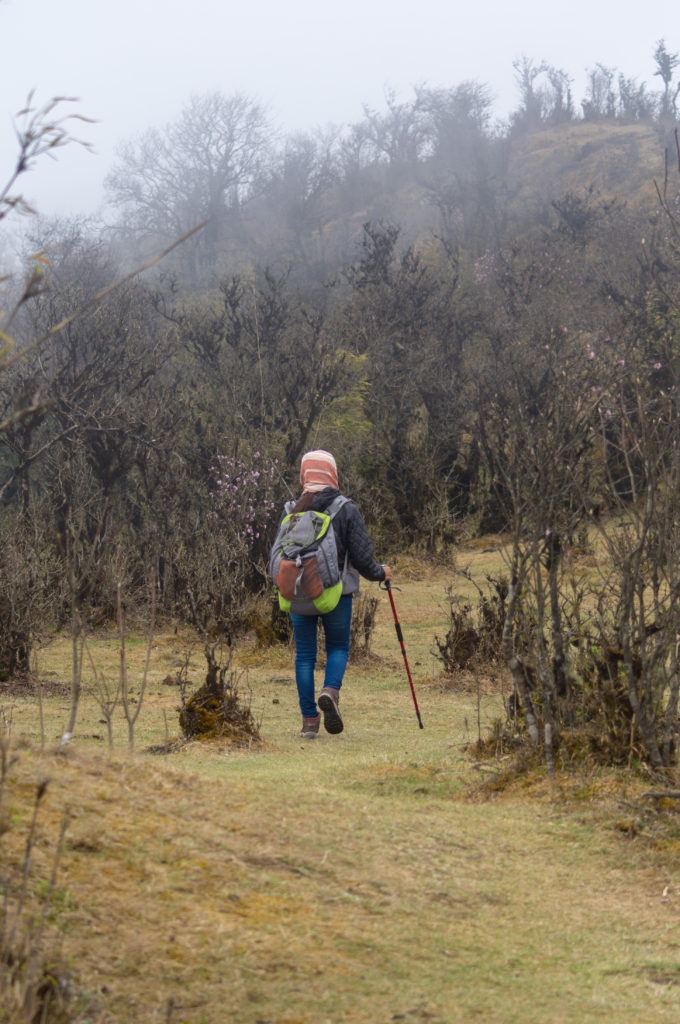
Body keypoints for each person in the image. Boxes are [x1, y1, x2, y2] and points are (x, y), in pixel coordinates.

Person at [283, 449, 391, 738]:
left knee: (304, 656)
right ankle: (330, 691)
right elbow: (363, 559)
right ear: (333, 474)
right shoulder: (346, 509)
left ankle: (309, 721)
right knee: (338, 648)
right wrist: (382, 573)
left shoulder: (292, 509)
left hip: (299, 593)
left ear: (304, 474)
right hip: (337, 595)